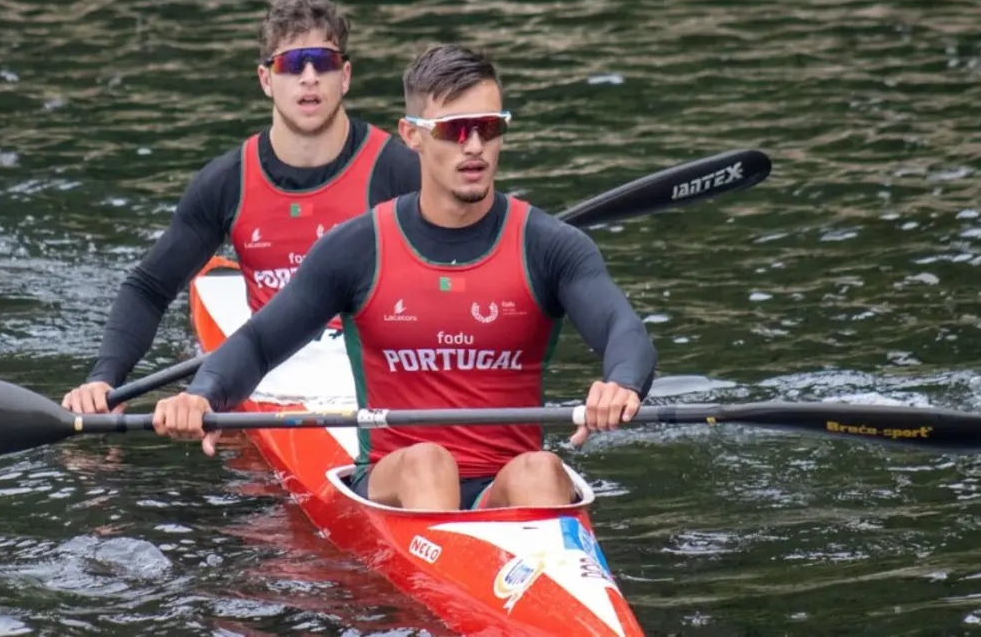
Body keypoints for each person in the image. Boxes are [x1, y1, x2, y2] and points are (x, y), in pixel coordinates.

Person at [151, 43, 658, 512]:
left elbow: (622, 329)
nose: (475, 146)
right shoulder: (358, 249)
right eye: (455, 130)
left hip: (505, 491)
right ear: (411, 134)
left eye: (489, 127)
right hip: (396, 483)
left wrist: (622, 383)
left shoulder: (550, 246)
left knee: (542, 468)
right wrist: (204, 394)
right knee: (427, 461)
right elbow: (261, 343)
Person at [61, 0, 421, 414]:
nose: (309, 77)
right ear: (266, 80)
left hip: (370, 366)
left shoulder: (399, 171)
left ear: (344, 77)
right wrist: (105, 379)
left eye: (323, 62)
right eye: (290, 64)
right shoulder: (227, 182)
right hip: (271, 368)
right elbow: (149, 287)